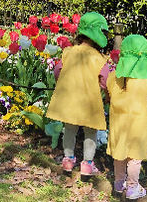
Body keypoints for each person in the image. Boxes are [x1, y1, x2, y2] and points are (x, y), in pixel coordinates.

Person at [46, 12, 111, 178]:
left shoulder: (69, 52)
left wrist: (63, 82)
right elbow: (105, 80)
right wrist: (107, 94)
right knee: (91, 133)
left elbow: (57, 71)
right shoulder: (99, 58)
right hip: (90, 102)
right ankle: (87, 165)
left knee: (69, 129)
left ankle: (68, 160)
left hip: (70, 100)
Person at [106, 34, 147, 200]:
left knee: (119, 155)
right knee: (134, 159)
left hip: (118, 125)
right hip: (139, 126)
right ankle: (132, 188)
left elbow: (109, 92)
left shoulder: (113, 78)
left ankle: (118, 184)